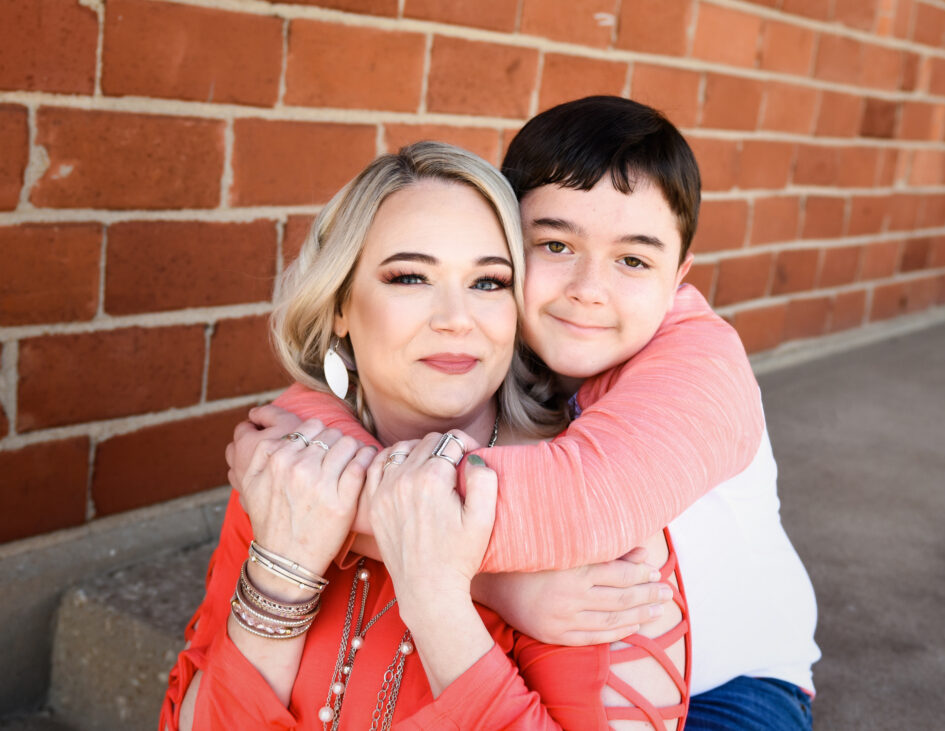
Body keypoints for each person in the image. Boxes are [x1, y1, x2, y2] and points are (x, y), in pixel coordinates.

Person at [227, 96, 819, 729]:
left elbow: (582, 501)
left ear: (679, 277)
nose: (589, 289)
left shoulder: (702, 365)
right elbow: (357, 383)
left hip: (730, 687)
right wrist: (312, 436)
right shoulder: (501, 334)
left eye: (634, 260)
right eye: (556, 244)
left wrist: (322, 491)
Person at [162, 140, 702, 730]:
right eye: (411, 277)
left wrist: (439, 597)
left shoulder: (590, 514)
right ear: (341, 303)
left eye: (489, 283)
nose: (455, 317)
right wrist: (282, 569)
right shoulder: (294, 463)